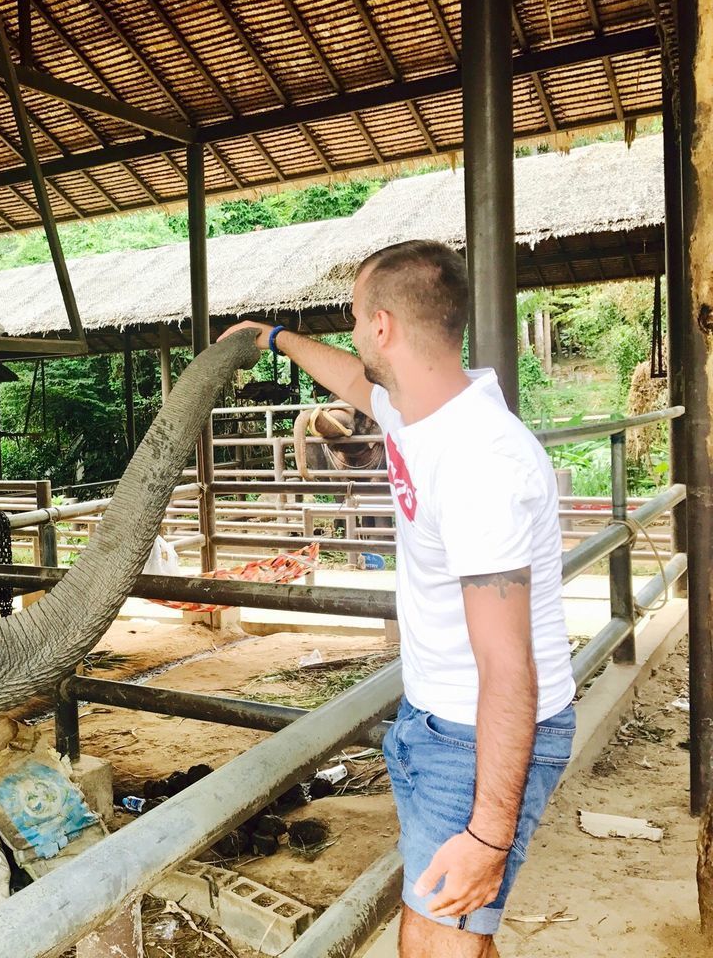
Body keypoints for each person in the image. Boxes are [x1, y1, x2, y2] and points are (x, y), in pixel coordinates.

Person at [220, 239, 575, 958]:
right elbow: (353, 378)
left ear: (383, 325)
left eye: (355, 317)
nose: (352, 333)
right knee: (453, 936)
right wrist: (274, 337)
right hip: (435, 719)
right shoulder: (421, 409)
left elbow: (508, 668)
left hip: (478, 736)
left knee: (433, 941)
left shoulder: (480, 461)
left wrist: (487, 835)